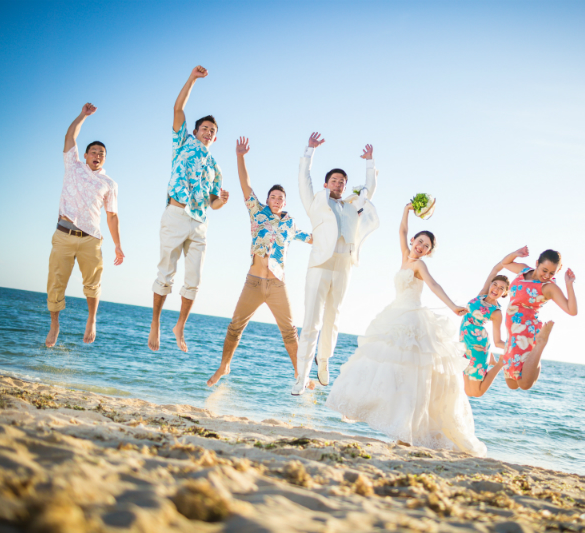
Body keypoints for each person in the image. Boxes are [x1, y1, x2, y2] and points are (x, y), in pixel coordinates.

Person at [325, 203, 487, 457]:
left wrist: (453, 306)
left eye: (426, 246)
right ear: (413, 241)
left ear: (428, 252)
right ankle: (380, 413)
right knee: (385, 369)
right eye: (419, 241)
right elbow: (401, 230)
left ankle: (408, 431)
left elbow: (434, 285)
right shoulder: (404, 256)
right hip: (395, 315)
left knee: (413, 376)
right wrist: (406, 209)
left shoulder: (420, 266)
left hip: (412, 320)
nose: (420, 247)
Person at [207, 137, 314, 387]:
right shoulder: (257, 213)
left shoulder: (290, 224)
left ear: (285, 202)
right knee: (235, 327)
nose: (276, 200)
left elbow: (312, 238)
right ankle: (224, 366)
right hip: (254, 282)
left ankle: (300, 373)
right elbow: (245, 185)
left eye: (280, 197)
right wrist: (240, 156)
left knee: (290, 332)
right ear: (267, 200)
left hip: (277, 285)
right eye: (273, 196)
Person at [148, 66, 229, 353]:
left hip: (200, 223)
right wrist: (193, 79)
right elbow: (178, 108)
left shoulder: (216, 168)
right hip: (176, 214)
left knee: (194, 280)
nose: (208, 132)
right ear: (195, 131)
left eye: (212, 131)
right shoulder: (182, 143)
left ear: (215, 138)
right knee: (165, 274)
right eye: (204, 128)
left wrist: (221, 201)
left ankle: (180, 325)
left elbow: (213, 203)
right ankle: (156, 322)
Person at [291, 132, 379, 395]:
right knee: (312, 321)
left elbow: (370, 190)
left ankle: (324, 360)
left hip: (344, 265)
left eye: (342, 181)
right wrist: (310, 150)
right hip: (320, 264)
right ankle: (301, 376)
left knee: (334, 316)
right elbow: (303, 178)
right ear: (326, 183)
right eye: (334, 180)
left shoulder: (352, 206)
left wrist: (370, 162)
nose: (339, 184)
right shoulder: (315, 202)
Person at [46, 103, 124, 348]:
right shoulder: (73, 166)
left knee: (93, 283)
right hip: (64, 233)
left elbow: (112, 216)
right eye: (94, 151)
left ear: (104, 159)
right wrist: (83, 115)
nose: (97, 155)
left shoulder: (109, 184)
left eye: (102, 153)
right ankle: (55, 324)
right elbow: (70, 137)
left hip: (91, 239)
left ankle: (91, 319)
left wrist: (118, 245)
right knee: (56, 282)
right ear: (86, 155)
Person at [500, 248, 578, 390]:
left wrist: (569, 285)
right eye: (544, 270)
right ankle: (538, 347)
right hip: (511, 335)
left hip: (526, 333)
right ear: (537, 263)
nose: (547, 275)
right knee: (512, 384)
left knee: (524, 384)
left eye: (552, 273)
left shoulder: (548, 287)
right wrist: (516, 254)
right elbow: (505, 263)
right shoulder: (524, 270)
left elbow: (572, 310)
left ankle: (540, 343)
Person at [460, 248, 531, 397]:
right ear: (490, 284)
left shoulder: (496, 312)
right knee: (466, 390)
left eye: (501, 288)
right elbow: (496, 268)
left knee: (476, 392)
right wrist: (515, 254)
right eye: (495, 285)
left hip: (477, 346)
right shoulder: (481, 295)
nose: (496, 289)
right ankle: (491, 360)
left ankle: (499, 364)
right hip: (464, 342)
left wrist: (516, 349)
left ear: (504, 293)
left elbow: (498, 341)